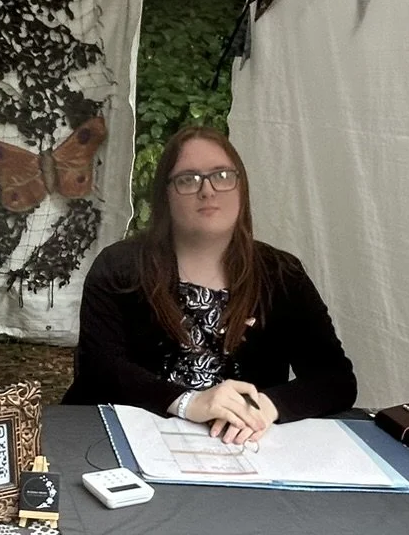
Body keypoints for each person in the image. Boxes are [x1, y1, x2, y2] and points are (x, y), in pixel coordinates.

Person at [63, 125, 355, 443]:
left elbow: (335, 379)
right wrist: (191, 402)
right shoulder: (120, 267)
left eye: (222, 176)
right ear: (165, 195)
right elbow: (102, 369)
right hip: (122, 443)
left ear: (241, 189)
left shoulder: (282, 274)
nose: (208, 190)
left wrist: (261, 406)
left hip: (237, 453)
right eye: (188, 179)